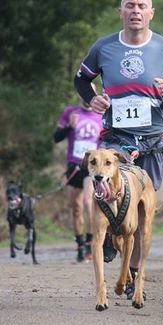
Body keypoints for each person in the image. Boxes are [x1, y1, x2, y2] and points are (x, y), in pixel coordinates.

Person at [74, 0, 163, 295]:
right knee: (107, 198)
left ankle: (133, 272)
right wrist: (92, 99)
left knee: (143, 215)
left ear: (151, 13)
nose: (136, 11)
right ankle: (112, 241)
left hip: (152, 145)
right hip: (116, 144)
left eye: (142, 6)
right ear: (121, 12)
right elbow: (81, 79)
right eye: (130, 6)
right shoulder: (104, 48)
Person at [54, 83, 103, 263]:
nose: (88, 95)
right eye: (85, 91)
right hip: (74, 165)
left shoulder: (102, 114)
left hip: (92, 167)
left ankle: (91, 242)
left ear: (95, 94)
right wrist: (69, 127)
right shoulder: (70, 113)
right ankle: (80, 245)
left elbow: (108, 138)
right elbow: (56, 138)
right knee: (76, 207)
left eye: (92, 92)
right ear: (81, 94)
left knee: (88, 202)